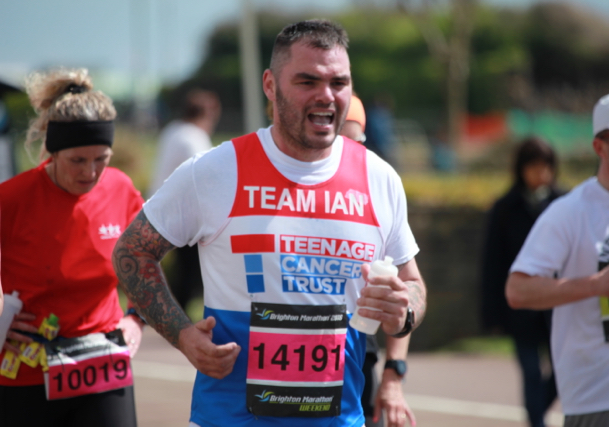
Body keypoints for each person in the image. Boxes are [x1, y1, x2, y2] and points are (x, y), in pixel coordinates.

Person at [113, 19, 426, 427]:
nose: (326, 96)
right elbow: (132, 251)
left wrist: (405, 309)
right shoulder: (215, 171)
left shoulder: (379, 179)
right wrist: (183, 336)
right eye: (307, 81)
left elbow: (412, 281)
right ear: (270, 85)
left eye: (339, 83)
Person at [0, 68, 144, 427]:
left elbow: (144, 262)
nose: (90, 172)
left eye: (101, 159)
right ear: (53, 152)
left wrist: (136, 317)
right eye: (77, 160)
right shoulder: (12, 198)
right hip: (27, 366)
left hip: (103, 359)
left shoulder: (121, 189)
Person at [506, 91, 609, 427]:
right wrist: (597, 285)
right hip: (600, 400)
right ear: (600, 147)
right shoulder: (568, 212)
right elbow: (517, 291)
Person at [341, 94, 416, 427]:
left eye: (355, 141)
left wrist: (393, 374)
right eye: (338, 141)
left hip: (358, 361)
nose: (347, 152)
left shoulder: (377, 187)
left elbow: (405, 286)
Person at [481, 136, 561, 427]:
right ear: (521, 169)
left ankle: (536, 412)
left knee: (562, 369)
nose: (541, 173)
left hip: (558, 304)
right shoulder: (505, 208)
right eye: (534, 166)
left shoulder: (563, 204)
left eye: (546, 166)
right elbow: (493, 263)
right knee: (530, 371)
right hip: (520, 307)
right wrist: (491, 314)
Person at [148, 89, 221, 311]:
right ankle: (178, 315)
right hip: (182, 213)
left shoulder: (173, 130)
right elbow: (207, 177)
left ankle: (176, 312)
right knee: (194, 270)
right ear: (208, 114)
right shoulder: (193, 137)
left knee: (185, 269)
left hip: (160, 208)